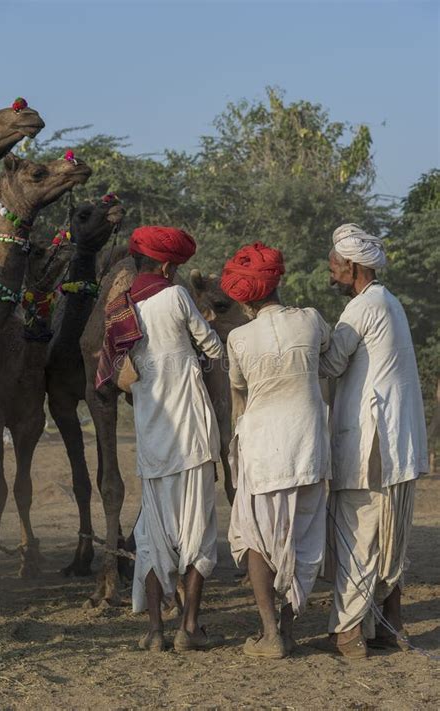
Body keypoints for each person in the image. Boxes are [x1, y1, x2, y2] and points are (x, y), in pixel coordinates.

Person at [320, 223, 428, 659]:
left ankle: (348, 633)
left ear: (352, 266)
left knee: (358, 537)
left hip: (370, 446)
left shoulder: (362, 308)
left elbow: (329, 364)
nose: (329, 273)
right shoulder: (391, 303)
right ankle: (390, 627)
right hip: (396, 445)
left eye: (333, 265)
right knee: (387, 539)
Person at [221, 242, 331, 659]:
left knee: (255, 538)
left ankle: (270, 635)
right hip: (309, 448)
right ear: (278, 283)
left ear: (245, 299)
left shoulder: (239, 338)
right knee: (301, 539)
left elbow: (239, 389)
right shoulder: (311, 320)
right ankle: (289, 630)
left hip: (263, 449)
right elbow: (328, 358)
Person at [124, 225, 224, 653]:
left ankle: (154, 632)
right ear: (166, 265)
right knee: (197, 529)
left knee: (152, 532)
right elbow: (213, 347)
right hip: (193, 436)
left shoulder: (123, 306)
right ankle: (190, 627)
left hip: (151, 436)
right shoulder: (177, 296)